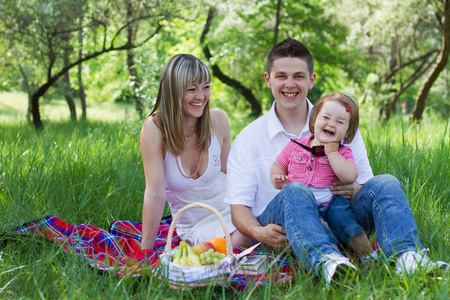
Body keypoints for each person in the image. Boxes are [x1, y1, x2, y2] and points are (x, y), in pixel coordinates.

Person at [224, 38, 448, 284]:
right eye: (281, 76)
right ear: (268, 79)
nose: (290, 84)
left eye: (299, 76)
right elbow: (238, 209)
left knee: (387, 182)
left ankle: (407, 257)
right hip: (287, 227)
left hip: (338, 217)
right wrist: (259, 232)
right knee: (295, 190)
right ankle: (327, 262)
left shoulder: (339, 122)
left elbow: (365, 186)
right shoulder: (248, 138)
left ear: (312, 80)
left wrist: (351, 189)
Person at [140, 54, 249, 250]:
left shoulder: (218, 121)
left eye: (206, 87)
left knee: (268, 219)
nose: (201, 96)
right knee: (248, 235)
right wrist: (145, 253)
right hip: (197, 227)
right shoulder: (155, 128)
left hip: (235, 210)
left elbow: (237, 174)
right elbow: (155, 194)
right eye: (191, 89)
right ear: (173, 92)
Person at [270, 92, 377, 263]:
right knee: (319, 230)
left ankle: (368, 256)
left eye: (340, 122)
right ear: (314, 121)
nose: (331, 124)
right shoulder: (295, 146)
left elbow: (350, 176)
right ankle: (334, 261)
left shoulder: (342, 152)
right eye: (326, 117)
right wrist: (277, 177)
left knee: (348, 224)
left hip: (332, 203)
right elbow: (278, 165)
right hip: (303, 207)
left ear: (348, 132)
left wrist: (332, 152)